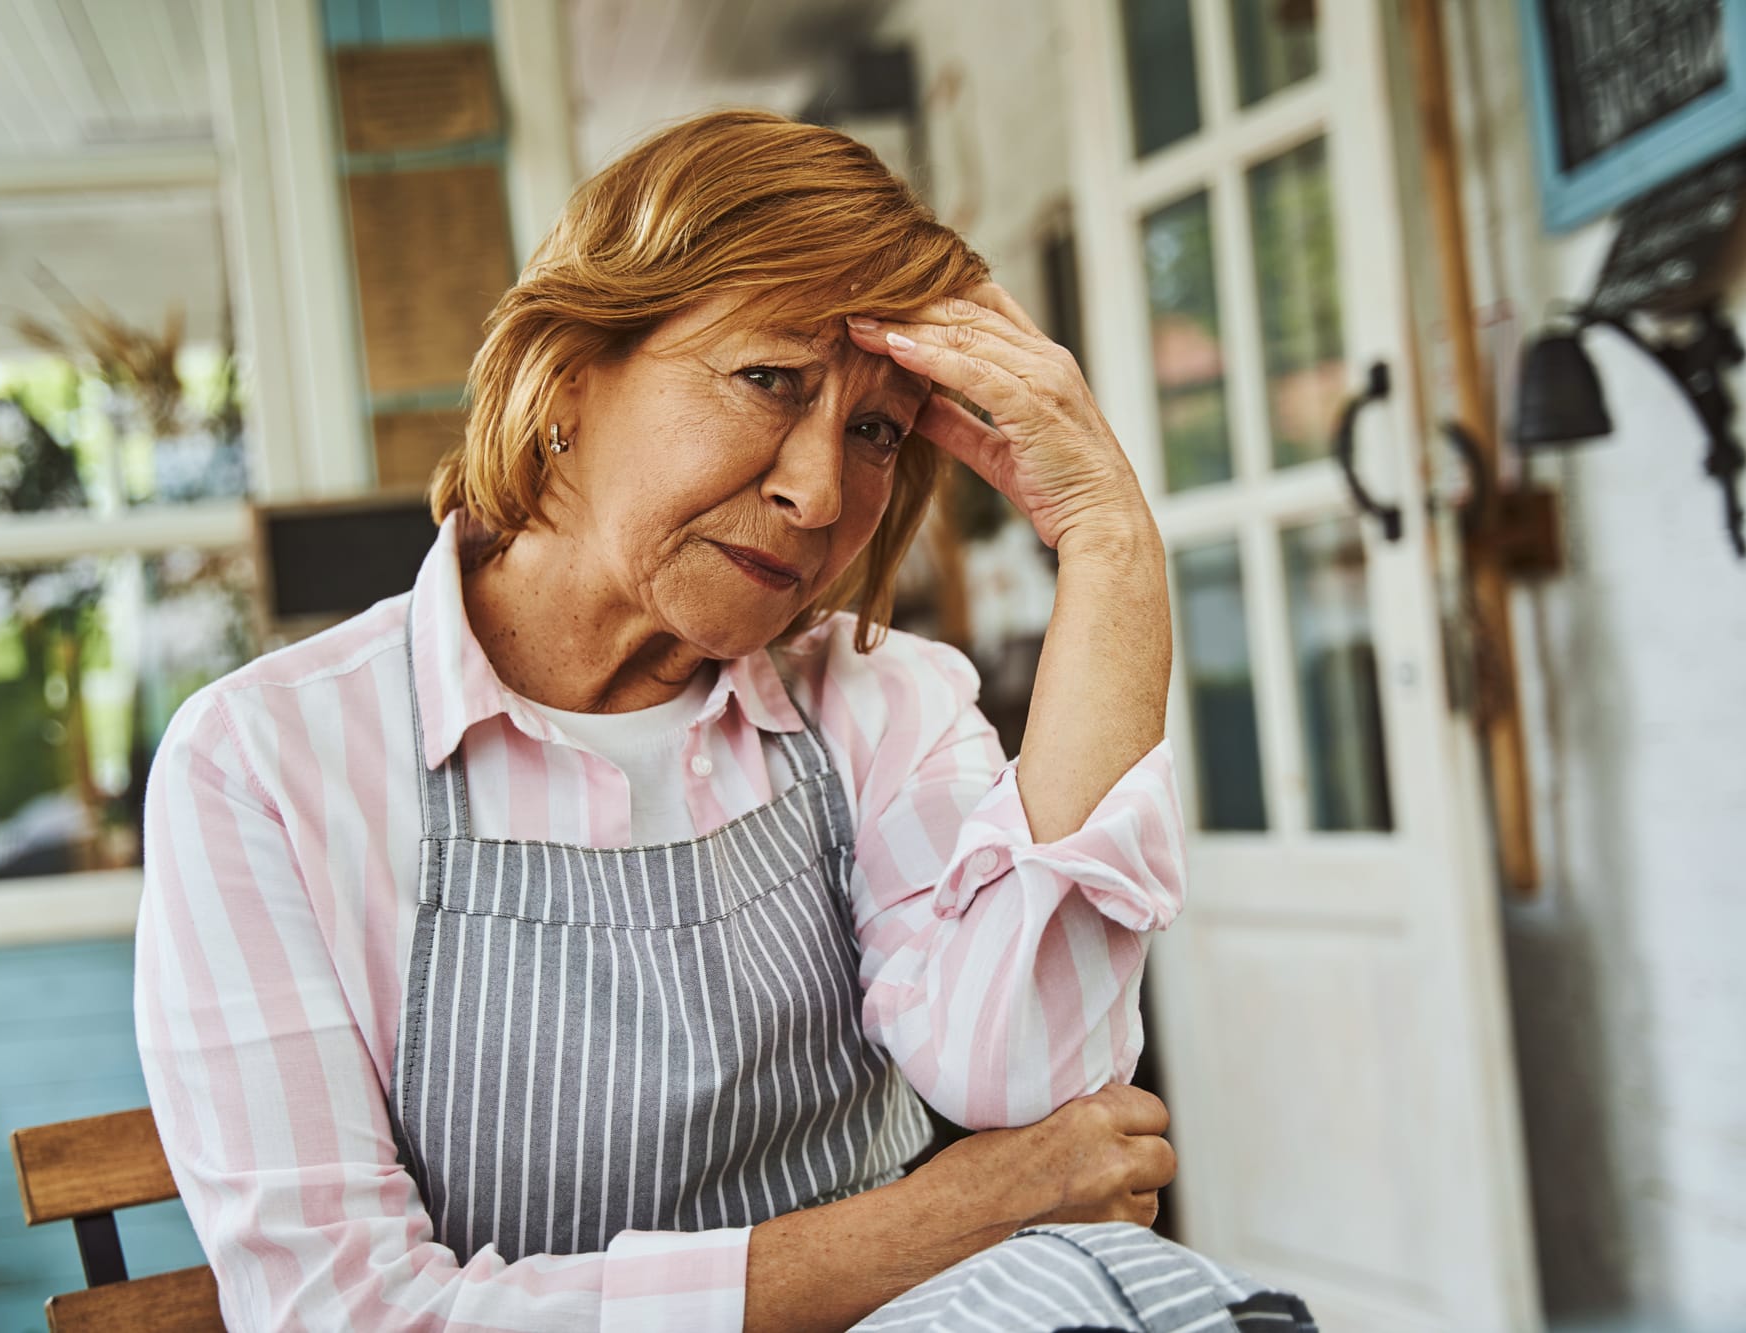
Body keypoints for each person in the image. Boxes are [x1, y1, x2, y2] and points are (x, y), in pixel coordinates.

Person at [134, 109, 1307, 1332]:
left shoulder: (879, 703)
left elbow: (1034, 1076)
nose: (816, 493)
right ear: (567, 377)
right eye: (767, 381)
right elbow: (348, 1311)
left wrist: (1112, 546)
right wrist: (937, 1220)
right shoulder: (264, 763)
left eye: (873, 431)